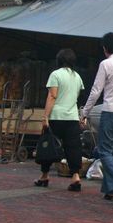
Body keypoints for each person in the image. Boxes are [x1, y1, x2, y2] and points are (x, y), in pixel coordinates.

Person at [80, 32, 113, 203]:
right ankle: (111, 190)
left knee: (105, 151)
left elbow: (96, 90)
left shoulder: (106, 64)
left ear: (105, 49)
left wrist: (84, 112)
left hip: (112, 111)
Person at [38, 48, 84, 190]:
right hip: (72, 117)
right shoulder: (77, 76)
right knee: (73, 147)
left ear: (59, 60)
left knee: (48, 145)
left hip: (56, 116)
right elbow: (78, 97)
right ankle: (75, 176)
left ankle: (45, 176)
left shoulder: (55, 74)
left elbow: (52, 96)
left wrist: (45, 116)